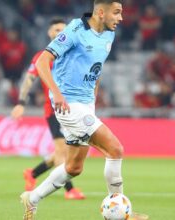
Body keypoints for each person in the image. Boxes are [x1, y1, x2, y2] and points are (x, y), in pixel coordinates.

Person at [20, 1, 149, 220]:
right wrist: (57, 93)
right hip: (68, 104)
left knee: (73, 167)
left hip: (85, 105)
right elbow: (43, 62)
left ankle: (32, 198)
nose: (121, 18)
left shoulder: (109, 35)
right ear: (101, 12)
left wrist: (93, 102)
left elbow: (96, 69)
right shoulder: (75, 30)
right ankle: (120, 211)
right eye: (116, 13)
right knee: (115, 149)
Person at [11, 17, 85, 200]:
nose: (58, 33)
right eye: (55, 30)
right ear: (49, 33)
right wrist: (21, 103)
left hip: (74, 109)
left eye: (62, 30)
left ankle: (33, 174)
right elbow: (28, 80)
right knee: (62, 152)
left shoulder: (73, 55)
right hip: (53, 111)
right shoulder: (42, 57)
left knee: (66, 152)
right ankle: (70, 190)